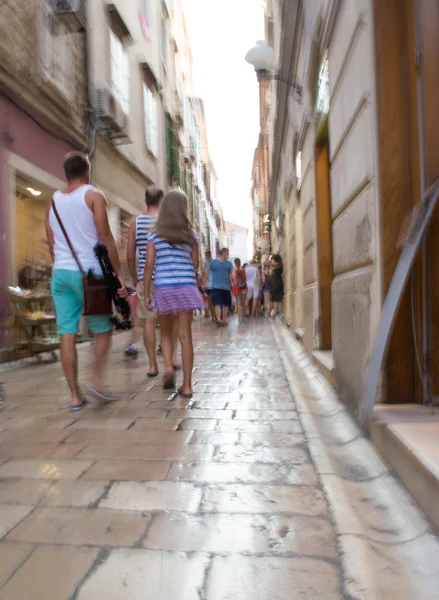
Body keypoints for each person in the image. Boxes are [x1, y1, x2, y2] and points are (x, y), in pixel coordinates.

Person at [46, 152, 127, 410]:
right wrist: (118, 274)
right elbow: (104, 236)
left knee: (66, 332)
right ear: (87, 171)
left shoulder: (53, 202)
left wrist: (62, 264)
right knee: (103, 329)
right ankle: (95, 378)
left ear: (65, 173)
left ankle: (74, 396)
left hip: (60, 274)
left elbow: (51, 243)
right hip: (90, 276)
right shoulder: (93, 195)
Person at [144, 189, 203, 398]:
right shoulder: (191, 236)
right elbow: (195, 264)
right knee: (185, 336)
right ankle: (187, 386)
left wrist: (146, 293)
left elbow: (149, 265)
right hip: (186, 287)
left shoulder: (154, 234)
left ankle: (168, 368)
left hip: (164, 287)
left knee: (166, 332)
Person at [127, 186, 163, 377]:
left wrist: (135, 276)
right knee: (167, 321)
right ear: (161, 201)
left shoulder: (136, 223)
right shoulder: (166, 222)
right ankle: (171, 360)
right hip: (166, 278)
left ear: (146, 200)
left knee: (149, 321)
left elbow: (130, 255)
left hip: (145, 278)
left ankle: (152, 366)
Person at [210, 248, 233, 326]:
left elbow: (232, 274)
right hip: (216, 286)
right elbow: (207, 272)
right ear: (223, 253)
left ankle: (224, 320)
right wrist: (204, 281)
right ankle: (219, 319)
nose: (228, 254)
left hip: (226, 287)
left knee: (225, 304)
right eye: (227, 253)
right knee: (217, 303)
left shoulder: (229, 264)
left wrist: (233, 282)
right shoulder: (213, 263)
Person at [231, 258, 247, 323]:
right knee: (243, 303)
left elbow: (232, 280)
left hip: (237, 288)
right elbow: (245, 279)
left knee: (238, 303)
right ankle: (243, 317)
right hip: (244, 287)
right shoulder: (243, 269)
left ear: (234, 263)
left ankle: (239, 318)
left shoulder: (233, 271)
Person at [202, 250, 215, 321]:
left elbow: (205, 274)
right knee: (213, 302)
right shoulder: (214, 262)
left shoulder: (207, 264)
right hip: (214, 284)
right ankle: (215, 316)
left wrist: (204, 283)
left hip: (209, 284)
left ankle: (213, 316)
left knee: (210, 301)